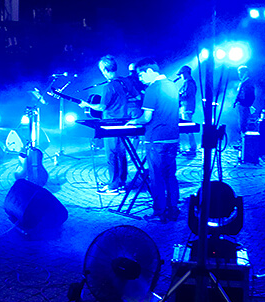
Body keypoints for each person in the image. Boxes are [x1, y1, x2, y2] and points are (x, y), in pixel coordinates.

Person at [127, 58, 180, 223]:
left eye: (141, 74)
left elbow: (146, 118)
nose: (140, 78)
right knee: (170, 175)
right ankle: (173, 209)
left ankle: (159, 213)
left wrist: (133, 121)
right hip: (173, 138)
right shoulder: (172, 85)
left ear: (149, 71)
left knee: (156, 176)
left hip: (156, 139)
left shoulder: (152, 89)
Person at [80, 55, 131, 195]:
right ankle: (121, 182)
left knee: (112, 155)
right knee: (122, 154)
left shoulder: (108, 87)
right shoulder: (124, 82)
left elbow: (102, 107)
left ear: (104, 69)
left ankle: (113, 186)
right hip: (124, 123)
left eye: (101, 69)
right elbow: (137, 96)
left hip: (110, 125)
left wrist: (87, 104)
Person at [177, 65, 197, 156]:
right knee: (184, 128)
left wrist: (176, 97)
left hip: (187, 108)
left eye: (181, 74)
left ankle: (192, 148)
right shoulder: (186, 83)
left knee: (189, 128)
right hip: (184, 107)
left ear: (185, 73)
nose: (180, 76)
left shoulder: (189, 83)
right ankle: (184, 147)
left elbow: (188, 96)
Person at [234, 65, 256, 141]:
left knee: (243, 124)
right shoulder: (244, 82)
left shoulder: (247, 83)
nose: (239, 75)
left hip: (244, 106)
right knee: (242, 124)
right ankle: (242, 141)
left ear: (245, 73)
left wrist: (246, 104)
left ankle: (244, 142)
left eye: (240, 73)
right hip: (242, 105)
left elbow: (250, 96)